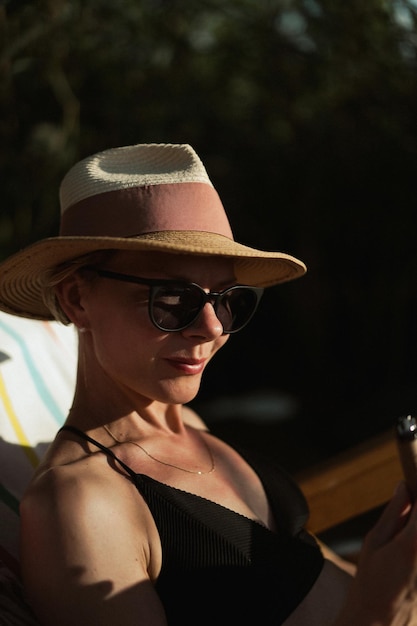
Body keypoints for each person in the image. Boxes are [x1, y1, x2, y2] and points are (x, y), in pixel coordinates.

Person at [0, 142, 416, 626]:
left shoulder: (186, 424)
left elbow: (307, 573)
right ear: (76, 299)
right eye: (173, 298)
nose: (213, 326)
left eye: (226, 298)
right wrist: (377, 613)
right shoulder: (80, 504)